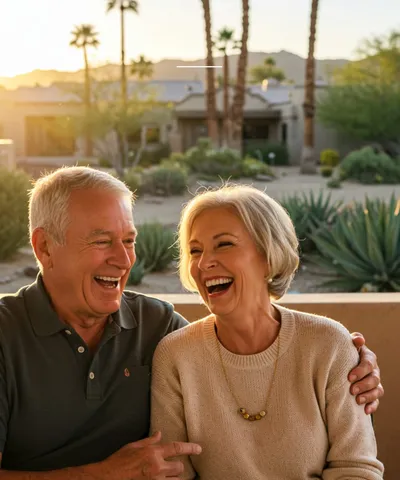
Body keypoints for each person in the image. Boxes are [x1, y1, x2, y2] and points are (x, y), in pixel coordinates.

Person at [0, 168, 382, 478]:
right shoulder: (5, 334)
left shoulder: (158, 326)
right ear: (44, 247)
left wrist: (355, 364)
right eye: (101, 241)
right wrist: (101, 475)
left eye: (129, 241)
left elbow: (230, 345)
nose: (123, 259)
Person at [151, 184, 385, 479]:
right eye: (195, 250)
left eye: (224, 244)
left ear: (268, 255)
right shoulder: (175, 355)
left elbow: (357, 469)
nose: (203, 263)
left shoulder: (329, 344)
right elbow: (172, 473)